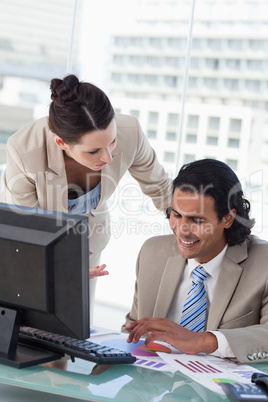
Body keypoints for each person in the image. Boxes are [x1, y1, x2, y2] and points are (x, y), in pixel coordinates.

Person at [0, 74, 172, 305]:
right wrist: (59, 267)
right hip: (30, 249)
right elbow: (25, 227)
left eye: (112, 142)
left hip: (88, 244)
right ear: (61, 143)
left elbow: (161, 187)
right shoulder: (25, 151)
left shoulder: (130, 132)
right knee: (29, 321)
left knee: (77, 325)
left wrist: (186, 223)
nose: (108, 157)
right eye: (93, 152)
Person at [122, 158, 268, 364]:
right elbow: (130, 333)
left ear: (227, 218)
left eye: (197, 220)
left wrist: (200, 341)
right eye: (177, 214)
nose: (181, 230)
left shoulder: (264, 263)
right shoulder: (152, 252)